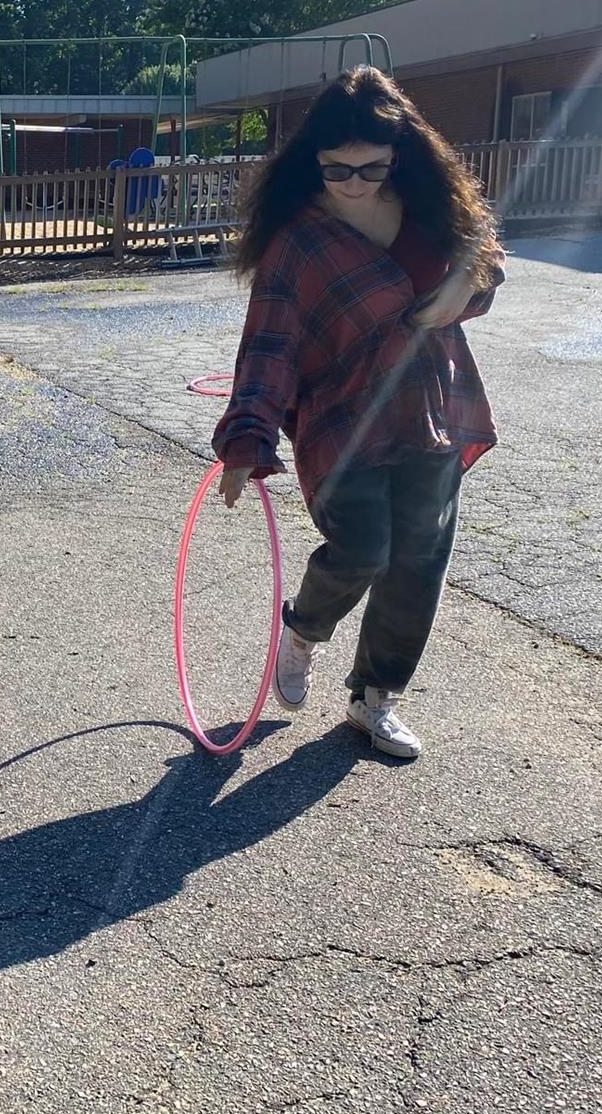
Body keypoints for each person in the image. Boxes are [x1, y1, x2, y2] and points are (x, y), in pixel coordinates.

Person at [212, 66, 506, 760]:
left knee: (419, 557)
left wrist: (458, 295)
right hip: (340, 419)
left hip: (430, 402)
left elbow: (486, 269)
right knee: (364, 546)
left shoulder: (431, 207)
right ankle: (304, 631)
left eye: (370, 168)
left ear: (398, 155)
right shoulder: (300, 238)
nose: (352, 182)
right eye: (336, 169)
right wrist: (246, 437)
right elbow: (271, 343)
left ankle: (376, 698)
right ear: (313, 159)